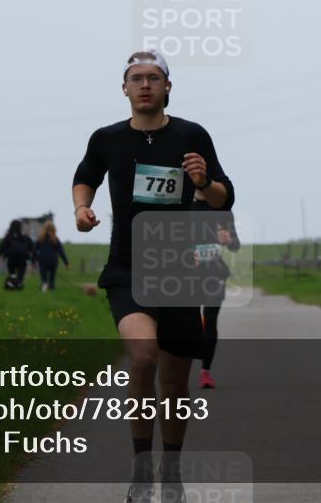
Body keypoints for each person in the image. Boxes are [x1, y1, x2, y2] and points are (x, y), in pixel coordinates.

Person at [72, 50, 234, 503]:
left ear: (168, 87)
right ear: (123, 89)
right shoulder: (106, 139)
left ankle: (173, 471)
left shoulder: (192, 134)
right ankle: (142, 473)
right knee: (143, 359)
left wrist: (203, 183)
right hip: (127, 269)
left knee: (175, 384)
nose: (145, 85)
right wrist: (81, 208)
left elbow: (223, 198)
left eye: (154, 78)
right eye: (136, 78)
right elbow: (85, 177)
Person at [190, 195, 240, 390]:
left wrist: (229, 239)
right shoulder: (185, 203)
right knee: (188, 323)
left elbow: (236, 245)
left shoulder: (222, 208)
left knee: (209, 320)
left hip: (215, 274)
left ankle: (205, 372)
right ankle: (179, 369)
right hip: (187, 275)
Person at [0, 219, 34, 290]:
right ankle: (17, 286)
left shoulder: (8, 237)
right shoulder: (26, 238)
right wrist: (33, 259)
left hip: (11, 260)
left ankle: (11, 285)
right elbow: (32, 249)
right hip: (22, 260)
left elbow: (0, 248)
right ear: (20, 227)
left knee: (12, 275)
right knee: (20, 277)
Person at [33, 221, 69, 291]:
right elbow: (61, 251)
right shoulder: (55, 239)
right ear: (54, 229)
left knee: (44, 278)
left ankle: (44, 286)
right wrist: (66, 263)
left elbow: (34, 250)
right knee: (52, 278)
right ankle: (51, 287)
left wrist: (34, 260)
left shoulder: (40, 238)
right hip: (53, 261)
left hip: (42, 260)